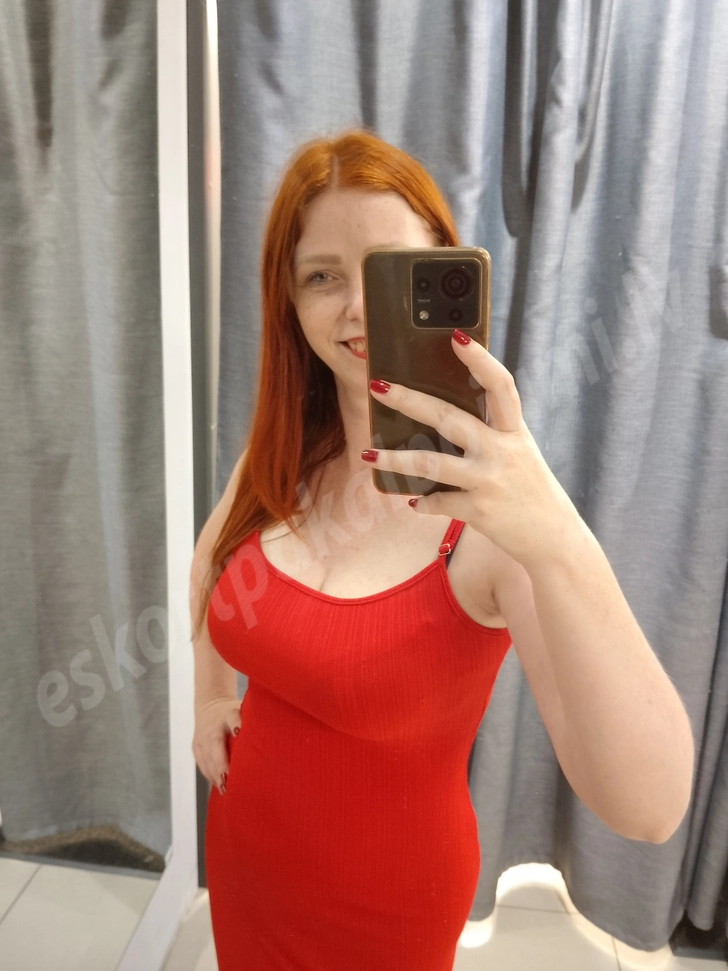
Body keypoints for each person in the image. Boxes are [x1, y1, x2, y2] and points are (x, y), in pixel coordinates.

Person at [189, 129, 694, 971]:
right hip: (247, 863)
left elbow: (650, 806)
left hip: (387, 911)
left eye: (386, 271)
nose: (356, 307)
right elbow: (211, 571)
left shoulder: (492, 523)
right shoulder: (280, 458)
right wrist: (210, 695)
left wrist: (554, 531)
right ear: (288, 300)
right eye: (322, 277)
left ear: (441, 279)